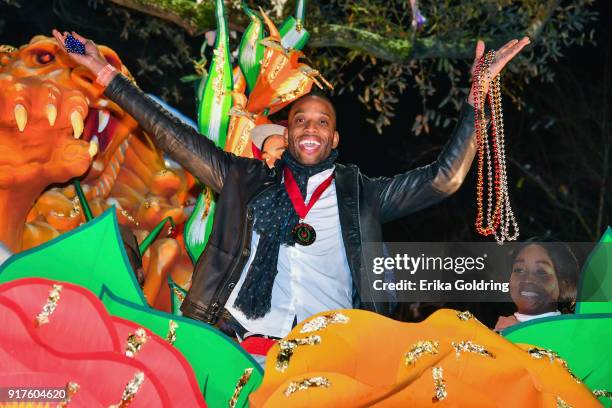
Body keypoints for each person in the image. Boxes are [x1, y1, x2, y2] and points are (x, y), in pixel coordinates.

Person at [52, 30, 530, 347]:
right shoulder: (243, 178)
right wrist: (106, 75)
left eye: (322, 122)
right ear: (287, 133)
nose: (310, 128)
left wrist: (477, 98)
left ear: (334, 139)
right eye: (301, 120)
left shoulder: (361, 194)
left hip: (329, 352)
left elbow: (443, 178)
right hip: (240, 343)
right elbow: (172, 134)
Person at [494, 240, 579, 331]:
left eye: (541, 272)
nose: (527, 280)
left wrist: (520, 334)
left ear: (563, 283)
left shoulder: (575, 332)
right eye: (519, 270)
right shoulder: (488, 335)